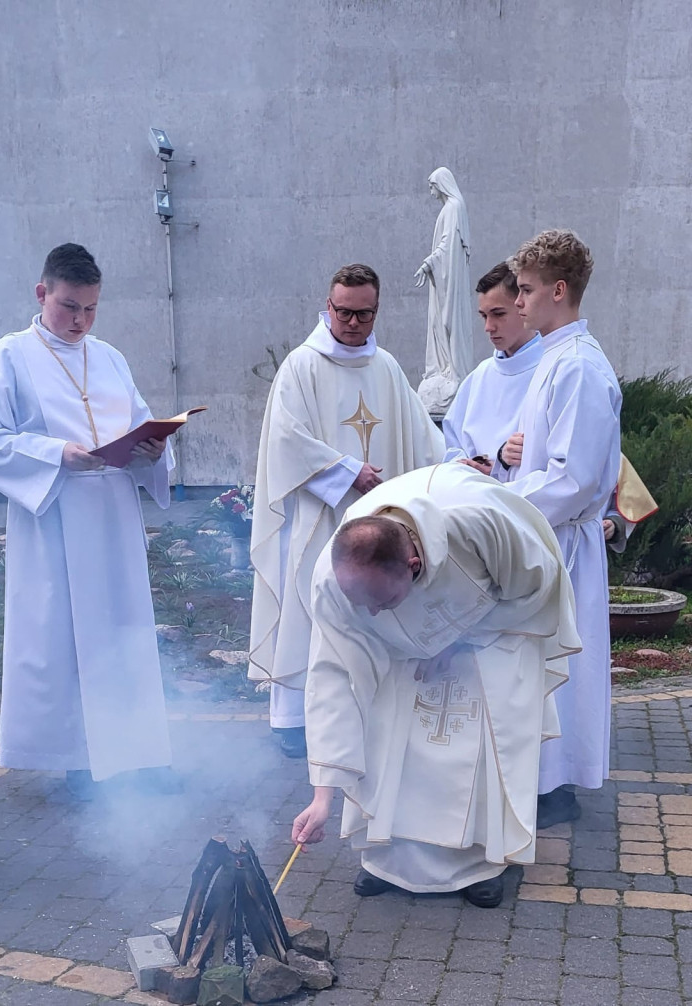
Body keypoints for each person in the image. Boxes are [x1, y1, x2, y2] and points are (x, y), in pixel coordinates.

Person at [293, 463, 579, 908]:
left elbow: (537, 588)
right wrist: (322, 795)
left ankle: (482, 864)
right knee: (387, 724)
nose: (369, 614)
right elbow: (332, 678)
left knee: (480, 732)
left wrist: (463, 638)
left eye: (382, 601)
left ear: (414, 564)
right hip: (402, 654)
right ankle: (387, 862)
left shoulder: (481, 521)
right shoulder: (332, 582)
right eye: (360, 603)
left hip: (494, 633)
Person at [0, 243, 177, 801]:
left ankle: (136, 750)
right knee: (65, 639)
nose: (79, 321)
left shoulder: (109, 357)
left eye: (90, 309)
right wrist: (57, 454)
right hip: (55, 518)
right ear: (41, 294)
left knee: (124, 631)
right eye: (68, 307)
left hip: (112, 516)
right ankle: (77, 764)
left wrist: (151, 452)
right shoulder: (8, 357)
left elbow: (135, 422)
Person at [248, 264, 444, 758]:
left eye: (364, 313)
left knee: (372, 613)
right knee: (309, 609)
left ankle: (364, 712)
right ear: (327, 306)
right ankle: (294, 721)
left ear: (377, 310)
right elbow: (285, 441)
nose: (353, 323)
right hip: (320, 519)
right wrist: (347, 472)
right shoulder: (302, 366)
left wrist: (462, 463)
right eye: (344, 312)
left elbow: (425, 440)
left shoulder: (388, 369)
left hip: (378, 527)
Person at [501, 229, 621, 829]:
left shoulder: (579, 367)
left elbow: (572, 480)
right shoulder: (556, 358)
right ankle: (545, 778)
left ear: (559, 289)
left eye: (524, 290)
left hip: (564, 539)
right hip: (549, 535)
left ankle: (557, 785)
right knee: (543, 663)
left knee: (561, 665)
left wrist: (499, 502)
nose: (516, 302)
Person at [442, 262, 543, 472]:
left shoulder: (553, 370)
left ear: (523, 306)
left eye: (498, 314)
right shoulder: (479, 376)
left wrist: (498, 470)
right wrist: (467, 467)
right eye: (484, 316)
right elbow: (453, 446)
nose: (488, 327)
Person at [413, 167, 473, 414]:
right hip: (443, 280)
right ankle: (442, 369)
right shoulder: (451, 208)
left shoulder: (453, 208)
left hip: (450, 281)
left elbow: (448, 244)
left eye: (432, 185)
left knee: (448, 323)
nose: (430, 192)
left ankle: (453, 370)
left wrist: (428, 263)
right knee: (439, 324)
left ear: (441, 184)